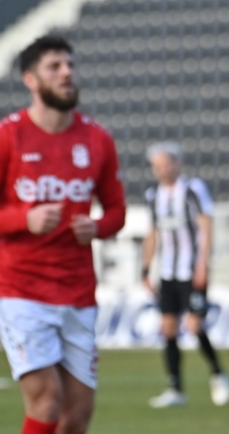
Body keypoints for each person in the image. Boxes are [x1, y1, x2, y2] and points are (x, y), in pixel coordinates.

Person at [0, 35, 126, 434]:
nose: (67, 72)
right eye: (54, 66)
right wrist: (25, 219)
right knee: (46, 400)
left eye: (69, 64)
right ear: (31, 80)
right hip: (21, 291)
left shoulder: (97, 139)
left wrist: (98, 227)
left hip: (78, 293)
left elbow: (117, 212)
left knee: (76, 416)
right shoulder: (8, 136)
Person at [140, 142, 229, 408]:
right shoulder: (153, 195)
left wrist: (203, 265)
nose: (161, 169)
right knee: (168, 328)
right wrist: (146, 269)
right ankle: (176, 389)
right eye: (157, 165)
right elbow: (152, 233)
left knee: (193, 325)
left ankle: (218, 373)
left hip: (191, 271)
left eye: (165, 163)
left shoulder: (192, 189)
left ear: (177, 163)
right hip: (167, 273)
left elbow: (205, 225)